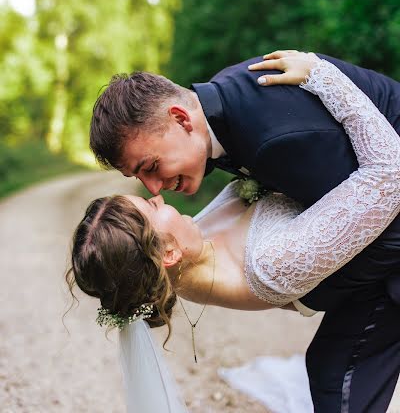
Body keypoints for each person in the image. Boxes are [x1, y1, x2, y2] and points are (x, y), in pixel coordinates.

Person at [72, 53, 400, 412]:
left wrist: (323, 73)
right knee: (330, 367)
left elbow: (389, 177)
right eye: (140, 178)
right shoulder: (220, 113)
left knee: (334, 368)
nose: (154, 191)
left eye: (151, 166)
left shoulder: (275, 137)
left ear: (181, 118)